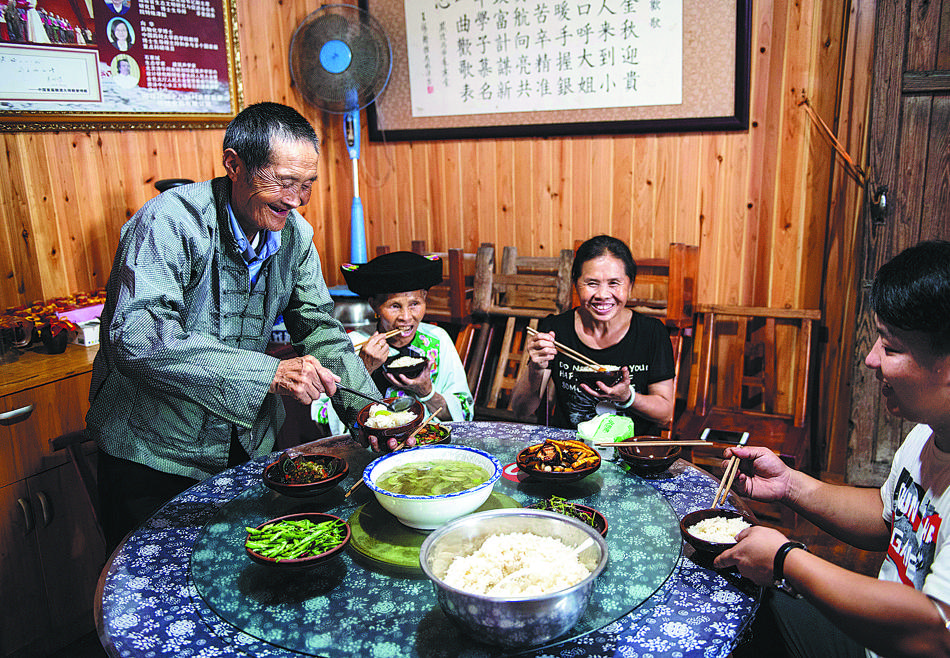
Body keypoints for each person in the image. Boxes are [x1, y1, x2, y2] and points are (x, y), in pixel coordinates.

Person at [86, 102, 381, 551]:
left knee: (242, 567)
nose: (296, 200)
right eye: (284, 182)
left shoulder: (295, 236)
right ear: (234, 164)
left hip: (242, 445)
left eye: (307, 186)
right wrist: (269, 373)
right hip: (153, 453)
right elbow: (137, 336)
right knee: (156, 594)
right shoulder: (170, 221)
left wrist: (374, 419)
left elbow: (321, 329)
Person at [718, 240, 950, 658]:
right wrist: (788, 485)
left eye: (891, 347)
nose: (870, 359)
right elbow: (889, 519)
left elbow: (934, 636)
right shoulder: (927, 434)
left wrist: (786, 559)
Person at [510, 235, 675, 434]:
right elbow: (521, 410)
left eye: (614, 283)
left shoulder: (651, 333)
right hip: (570, 453)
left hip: (632, 454)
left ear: (630, 285)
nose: (603, 295)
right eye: (592, 283)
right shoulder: (556, 329)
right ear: (575, 283)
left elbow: (665, 413)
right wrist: (536, 369)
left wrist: (627, 397)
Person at [313, 251, 475, 451]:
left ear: (426, 299)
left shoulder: (438, 340)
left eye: (415, 304)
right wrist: (363, 369)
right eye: (395, 306)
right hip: (368, 452)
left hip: (428, 447)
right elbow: (321, 416)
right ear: (375, 306)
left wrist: (427, 392)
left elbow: (465, 413)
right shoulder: (350, 345)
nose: (406, 317)